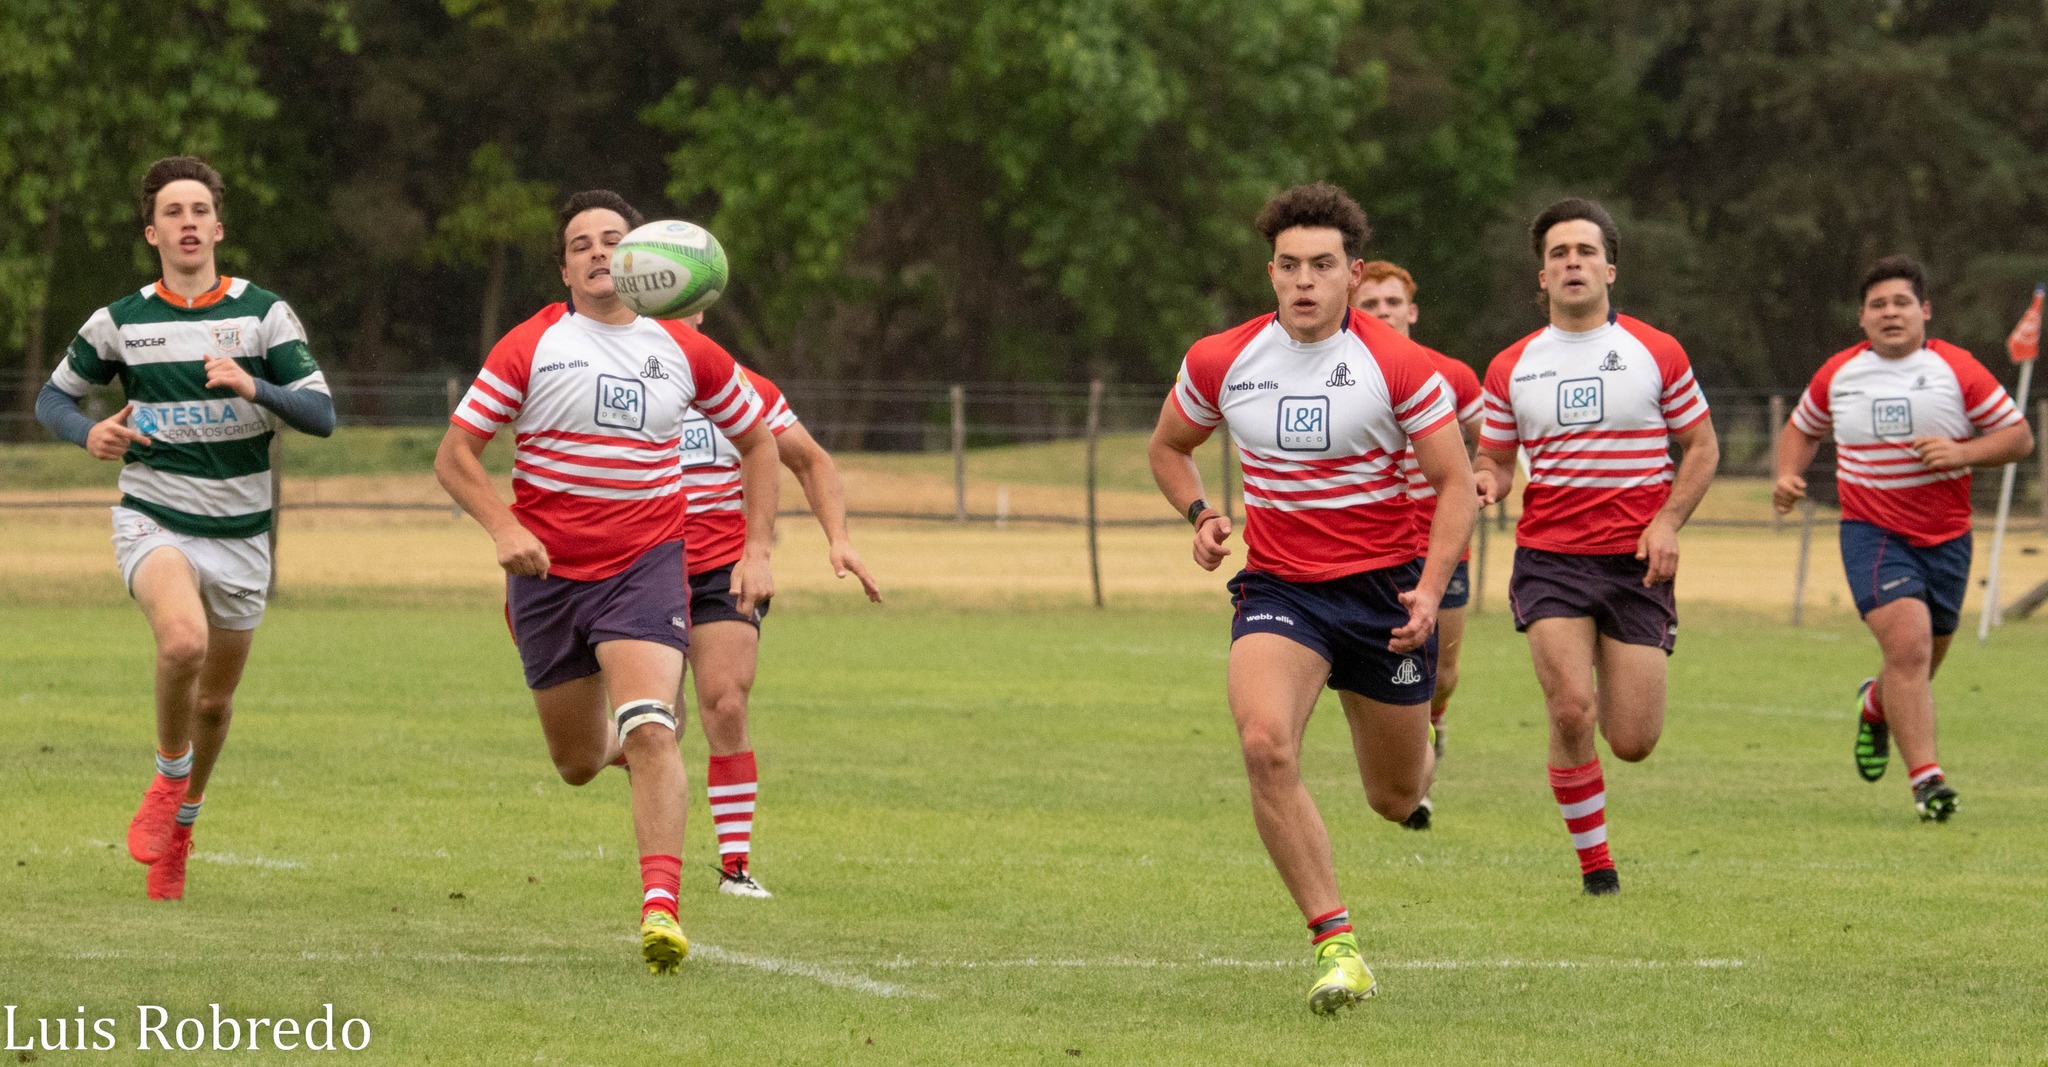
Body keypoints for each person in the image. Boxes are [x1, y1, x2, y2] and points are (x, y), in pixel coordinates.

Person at [1149, 182, 1473, 1013]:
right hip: (1282, 589)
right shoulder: (1222, 359)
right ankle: (1338, 944)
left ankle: (1430, 729)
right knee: (1264, 743)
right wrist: (1201, 512)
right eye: (1289, 266)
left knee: (1396, 797)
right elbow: (1169, 447)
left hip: (1385, 597)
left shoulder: (1398, 365)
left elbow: (1456, 486)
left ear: (1351, 273)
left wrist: (1432, 593)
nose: (1304, 281)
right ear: (1271, 272)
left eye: (1322, 265)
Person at [434, 190, 778, 974]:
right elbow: (454, 454)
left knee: (654, 726)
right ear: (564, 267)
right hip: (548, 574)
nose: (596, 251)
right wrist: (504, 526)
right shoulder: (531, 344)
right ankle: (632, 734)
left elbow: (758, 443)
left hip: (647, 564)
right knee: (581, 759)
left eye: (611, 238)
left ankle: (661, 909)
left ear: (637, 256)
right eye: (580, 242)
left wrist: (757, 549)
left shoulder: (685, 350)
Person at [34, 156, 336, 902]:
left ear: (219, 227)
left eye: (200, 209)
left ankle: (185, 825)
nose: (189, 221)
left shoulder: (263, 315)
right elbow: (53, 398)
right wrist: (88, 433)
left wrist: (251, 383)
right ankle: (169, 776)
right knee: (181, 642)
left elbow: (322, 414)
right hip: (154, 515)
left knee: (214, 702)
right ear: (152, 231)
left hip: (241, 535)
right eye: (174, 211)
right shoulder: (120, 321)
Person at [1473, 198, 1718, 896]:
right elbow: (1494, 455)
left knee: (1633, 740)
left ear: (1610, 267)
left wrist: (1668, 520)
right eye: (1558, 254)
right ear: (1542, 277)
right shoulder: (1511, 366)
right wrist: (1485, 480)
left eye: (1585, 251)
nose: (1572, 262)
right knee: (1571, 707)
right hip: (1550, 559)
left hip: (1637, 559)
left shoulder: (1656, 351)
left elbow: (1702, 447)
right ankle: (1596, 865)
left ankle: (1611, 697)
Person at [1772, 254, 2030, 821]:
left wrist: (1963, 452)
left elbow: (2018, 437)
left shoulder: (1956, 369)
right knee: (1908, 647)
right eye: (1878, 305)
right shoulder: (1838, 373)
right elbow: (1801, 426)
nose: (1890, 313)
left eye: (1901, 303)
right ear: (1862, 318)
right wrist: (1788, 473)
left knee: (1918, 665)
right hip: (1872, 531)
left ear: (1925, 312)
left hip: (1947, 539)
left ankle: (1874, 706)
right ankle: (1928, 782)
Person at [674, 312, 882, 898]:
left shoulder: (747, 389)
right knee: (656, 725)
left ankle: (734, 868)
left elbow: (811, 460)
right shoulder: (626, 383)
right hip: (642, 568)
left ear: (703, 308)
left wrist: (838, 538)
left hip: (724, 568)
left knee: (727, 703)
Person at [1351, 261, 1484, 830]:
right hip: (1375, 548)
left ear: (1413, 310)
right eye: (1371, 304)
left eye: (1392, 302)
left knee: (1442, 677)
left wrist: (1475, 480)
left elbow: (1481, 442)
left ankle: (1436, 724)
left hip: (1440, 547)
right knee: (1387, 666)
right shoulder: (1344, 372)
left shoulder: (1452, 375)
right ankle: (1413, 787)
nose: (1383, 313)